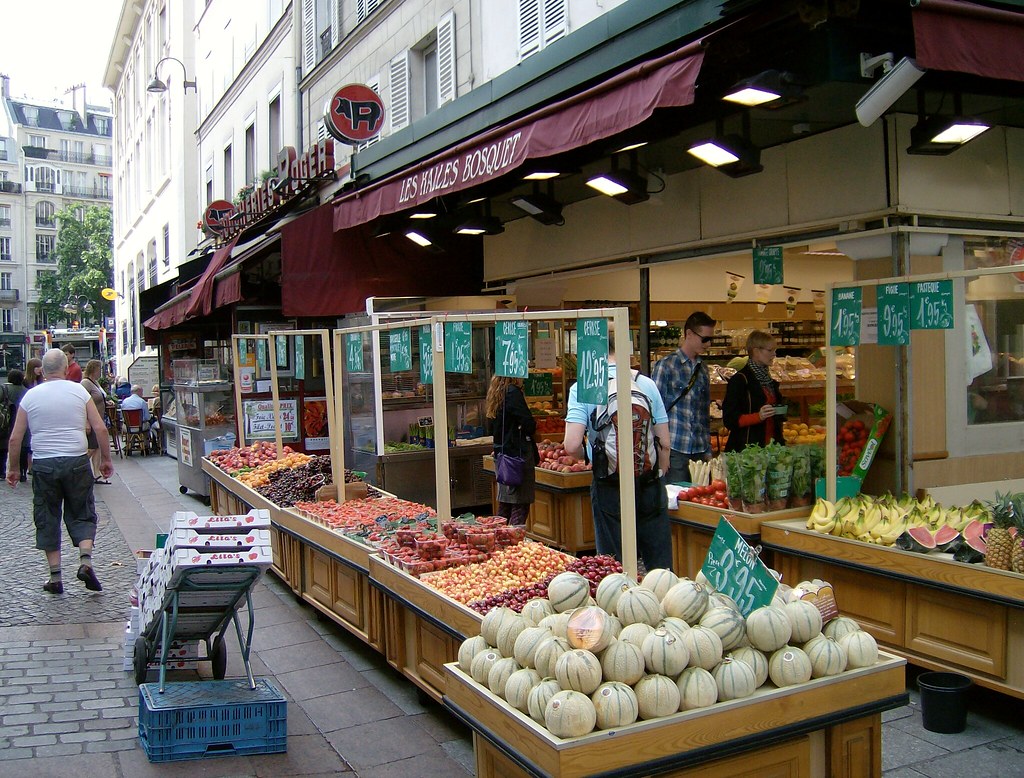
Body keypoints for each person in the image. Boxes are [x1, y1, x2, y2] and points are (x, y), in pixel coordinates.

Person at [6, 348, 113, 594]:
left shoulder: (31, 396)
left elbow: (15, 438)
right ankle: (85, 561)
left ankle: (55, 578)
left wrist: (13, 469)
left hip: (44, 463)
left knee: (47, 515)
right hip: (76, 461)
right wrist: (106, 460)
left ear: (42, 371)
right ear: (66, 369)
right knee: (83, 512)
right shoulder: (79, 391)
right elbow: (101, 429)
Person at [564, 339, 672, 570]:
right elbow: (664, 443)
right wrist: (658, 473)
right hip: (648, 482)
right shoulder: (645, 383)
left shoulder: (583, 387)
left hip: (609, 482)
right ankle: (663, 601)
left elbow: (571, 445)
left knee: (613, 564)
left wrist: (590, 455)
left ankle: (622, 601)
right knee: (659, 564)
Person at [652, 311, 716, 484]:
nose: (708, 344)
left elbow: (703, 413)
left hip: (699, 448)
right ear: (689, 334)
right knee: (675, 503)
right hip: (675, 449)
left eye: (711, 339)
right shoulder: (665, 366)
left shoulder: (703, 369)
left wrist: (708, 449)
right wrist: (662, 451)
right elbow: (654, 412)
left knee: (699, 504)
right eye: (705, 339)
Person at [486, 376, 539, 526]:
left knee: (505, 504)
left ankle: (498, 539)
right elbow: (528, 423)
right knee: (520, 504)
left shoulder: (497, 392)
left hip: (502, 455)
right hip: (517, 456)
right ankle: (514, 543)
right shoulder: (512, 392)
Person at [722, 330, 787, 452]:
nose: (774, 354)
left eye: (775, 350)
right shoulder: (740, 381)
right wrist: (758, 416)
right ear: (756, 351)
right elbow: (730, 420)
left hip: (772, 449)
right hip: (748, 451)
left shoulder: (769, 380)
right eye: (770, 350)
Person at [80, 360, 111, 484]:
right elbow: (83, 403)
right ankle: (78, 466)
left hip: (99, 418)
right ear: (94, 369)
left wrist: (107, 402)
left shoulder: (95, 383)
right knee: (92, 447)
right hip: (92, 421)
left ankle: (96, 473)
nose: (100, 372)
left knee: (97, 447)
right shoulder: (85, 383)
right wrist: (87, 422)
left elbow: (100, 397)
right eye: (99, 369)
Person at [19, 357, 43, 482]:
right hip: (27, 414)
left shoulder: (41, 382)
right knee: (26, 443)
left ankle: (31, 466)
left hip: (38, 415)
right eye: (37, 367)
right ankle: (27, 467)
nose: (40, 370)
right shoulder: (25, 383)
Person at [0, 369, 27, 478]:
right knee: (23, 447)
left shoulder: (5, 389)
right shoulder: (26, 390)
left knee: (3, 447)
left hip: (6, 421)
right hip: (22, 421)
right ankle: (23, 472)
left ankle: (2, 471)